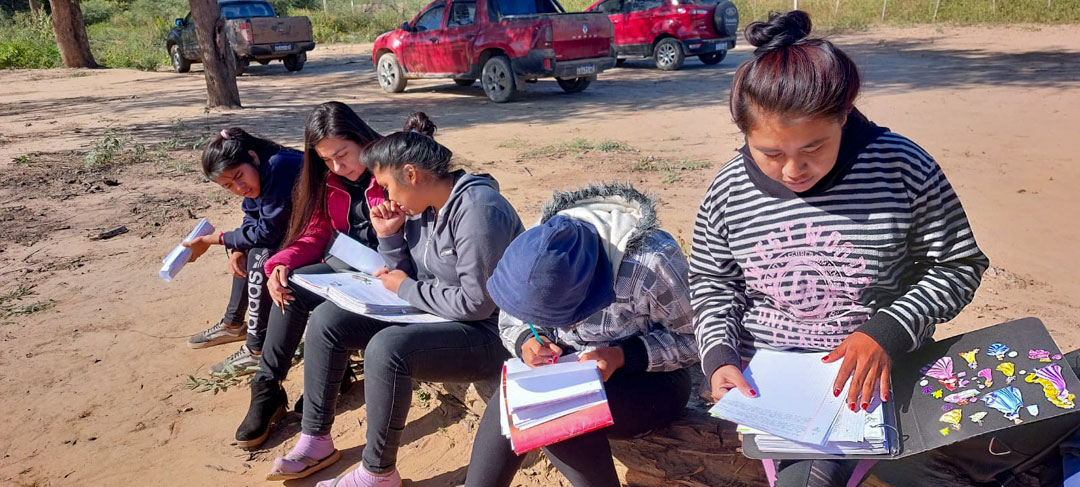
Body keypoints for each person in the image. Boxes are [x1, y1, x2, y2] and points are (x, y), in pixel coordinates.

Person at [690, 10, 991, 486]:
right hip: (774, 391)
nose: (793, 170)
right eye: (770, 153)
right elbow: (712, 280)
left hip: (879, 377)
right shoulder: (729, 189)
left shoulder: (900, 168)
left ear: (844, 115)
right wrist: (720, 356)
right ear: (744, 131)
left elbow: (958, 264)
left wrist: (886, 332)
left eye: (813, 148)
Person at [265, 114, 525, 486]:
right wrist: (389, 236)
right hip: (439, 316)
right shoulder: (422, 209)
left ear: (412, 174)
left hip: (491, 332)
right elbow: (411, 275)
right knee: (328, 322)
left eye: (387, 187)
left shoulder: (479, 209)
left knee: (388, 349)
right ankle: (316, 438)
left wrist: (404, 288)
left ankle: (378, 472)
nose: (386, 197)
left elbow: (478, 303)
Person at [463, 184, 699, 487]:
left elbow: (694, 340)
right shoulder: (536, 247)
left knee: (557, 411)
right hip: (569, 372)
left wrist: (623, 356)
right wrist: (527, 340)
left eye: (560, 318)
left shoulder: (651, 262)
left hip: (650, 380)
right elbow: (512, 319)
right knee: (515, 400)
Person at [234, 101, 386, 449]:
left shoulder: (390, 163)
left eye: (342, 154)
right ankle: (267, 387)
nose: (336, 166)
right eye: (325, 159)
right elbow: (316, 232)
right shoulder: (327, 177)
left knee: (327, 314)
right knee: (290, 284)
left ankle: (332, 379)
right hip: (346, 263)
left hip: (386, 272)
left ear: (362, 137)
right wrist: (281, 262)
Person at [182, 127, 301, 373]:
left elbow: (268, 233)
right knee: (246, 251)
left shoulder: (279, 167)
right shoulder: (262, 171)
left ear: (253, 157)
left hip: (326, 234)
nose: (238, 187)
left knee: (259, 253)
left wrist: (213, 239)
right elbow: (252, 213)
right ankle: (233, 324)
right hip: (295, 231)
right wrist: (237, 246)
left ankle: (256, 350)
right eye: (228, 186)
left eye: (239, 176)